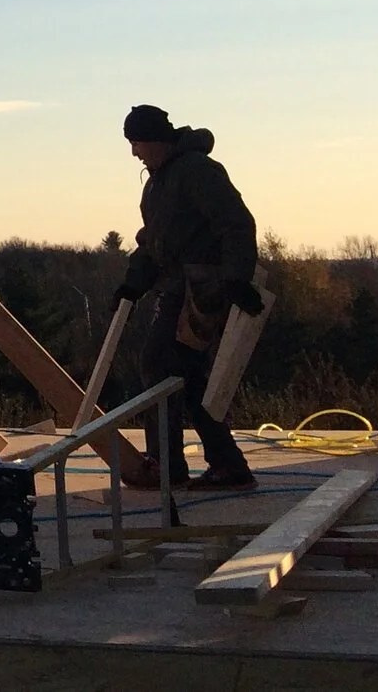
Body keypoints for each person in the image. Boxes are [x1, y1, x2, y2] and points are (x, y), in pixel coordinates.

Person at [113, 104, 262, 490]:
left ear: (158, 140)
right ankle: (222, 464)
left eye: (138, 143)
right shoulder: (158, 183)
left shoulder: (197, 171)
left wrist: (236, 280)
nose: (135, 153)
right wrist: (133, 283)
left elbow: (236, 223)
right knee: (186, 374)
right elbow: (154, 242)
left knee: (161, 363)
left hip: (202, 285)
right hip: (176, 282)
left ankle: (167, 464)